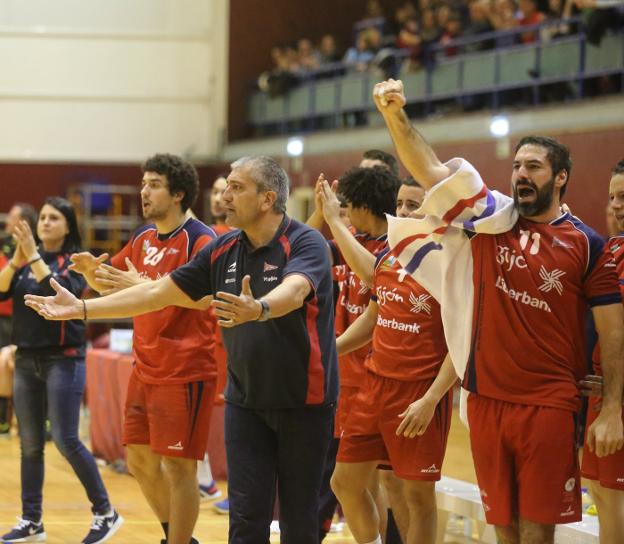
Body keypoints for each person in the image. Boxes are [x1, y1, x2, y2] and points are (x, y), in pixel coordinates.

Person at [25, 155, 339, 544]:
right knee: (245, 517)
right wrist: (82, 308)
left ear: (267, 198)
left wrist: (259, 308)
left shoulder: (305, 241)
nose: (224, 196)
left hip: (303, 401)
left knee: (297, 520)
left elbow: (295, 290)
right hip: (246, 400)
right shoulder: (224, 248)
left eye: (237, 188)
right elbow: (156, 293)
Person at [373, 78, 624, 544]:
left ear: (561, 176)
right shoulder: (491, 220)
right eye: (517, 166)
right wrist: (393, 114)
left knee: (535, 531)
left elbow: (612, 332)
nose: (521, 174)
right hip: (485, 401)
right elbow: (429, 169)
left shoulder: (588, 245)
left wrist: (611, 406)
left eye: (535, 166)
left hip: (548, 404)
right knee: (503, 529)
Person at [69, 154, 216, 544]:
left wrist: (141, 284)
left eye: (154, 184)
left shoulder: (202, 239)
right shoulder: (143, 238)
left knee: (179, 468)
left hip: (184, 368)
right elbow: (117, 284)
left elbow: (204, 299)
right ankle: (177, 536)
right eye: (143, 183)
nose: (143, 191)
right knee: (137, 458)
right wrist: (91, 273)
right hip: (145, 366)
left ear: (179, 193)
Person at [317, 174, 456, 544]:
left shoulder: (452, 259)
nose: (404, 211)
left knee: (416, 497)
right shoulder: (391, 253)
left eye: (414, 204)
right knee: (344, 482)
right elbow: (375, 316)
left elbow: (463, 344)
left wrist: (431, 400)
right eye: (400, 204)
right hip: (374, 384)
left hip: (418, 392)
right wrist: (330, 351)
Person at [0, 197, 122, 544]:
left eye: (55, 218)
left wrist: (32, 256)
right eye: (43, 218)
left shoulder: (76, 261)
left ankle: (105, 512)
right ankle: (31, 520)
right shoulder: (25, 259)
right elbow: (1, 289)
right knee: (30, 445)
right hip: (26, 360)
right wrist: (18, 259)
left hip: (63, 360)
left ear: (69, 225)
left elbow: (60, 290)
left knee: (67, 440)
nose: (46, 223)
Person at [580, 159, 624, 544]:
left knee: (615, 500)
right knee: (598, 490)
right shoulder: (611, 250)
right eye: (612, 197)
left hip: (617, 401)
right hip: (602, 396)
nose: (615, 205)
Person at [0, 203, 37, 436]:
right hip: (1, 314)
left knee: (20, 367)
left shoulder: (34, 249)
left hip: (23, 318)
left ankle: (30, 422)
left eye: (13, 217)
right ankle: (3, 422)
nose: (7, 221)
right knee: (1, 367)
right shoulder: (4, 244)